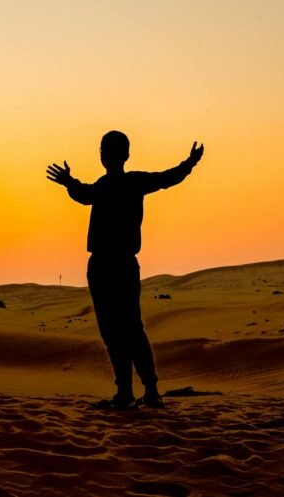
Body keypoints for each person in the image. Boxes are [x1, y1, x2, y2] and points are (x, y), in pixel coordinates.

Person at [46, 131, 204, 410]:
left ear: (108, 155)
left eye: (103, 149)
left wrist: (68, 181)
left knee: (123, 330)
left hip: (112, 265)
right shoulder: (122, 183)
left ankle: (140, 391)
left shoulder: (118, 184)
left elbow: (84, 194)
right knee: (122, 330)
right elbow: (167, 178)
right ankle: (136, 391)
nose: (101, 154)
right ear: (126, 155)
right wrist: (189, 164)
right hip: (113, 265)